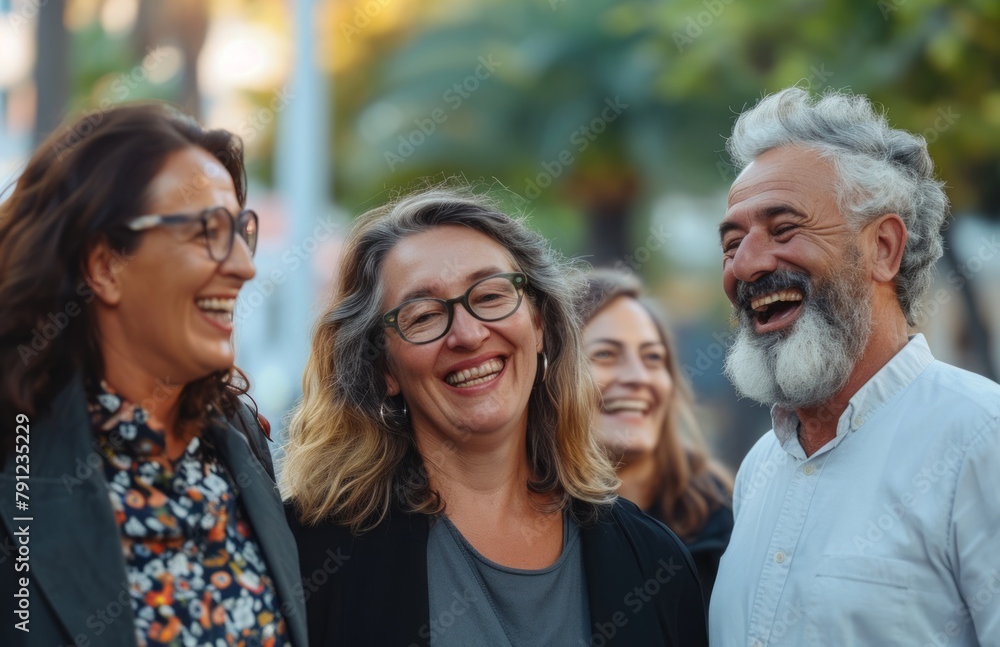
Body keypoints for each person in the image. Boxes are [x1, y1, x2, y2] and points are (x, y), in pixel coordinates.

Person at [282, 186, 708, 646]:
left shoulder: (655, 563)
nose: (467, 334)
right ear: (385, 368)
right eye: (423, 315)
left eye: (489, 295)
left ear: (540, 325)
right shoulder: (310, 560)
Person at [0, 104, 306, 647]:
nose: (244, 265)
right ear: (105, 265)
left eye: (241, 231)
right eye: (208, 231)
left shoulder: (238, 438)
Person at [711, 87, 1000, 645]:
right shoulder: (760, 468)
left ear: (884, 248)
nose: (746, 265)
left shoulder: (981, 440)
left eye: (784, 228)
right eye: (731, 242)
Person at [578, 268, 733, 604]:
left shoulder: (734, 524)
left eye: (652, 358)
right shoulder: (527, 537)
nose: (638, 377)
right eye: (605, 354)